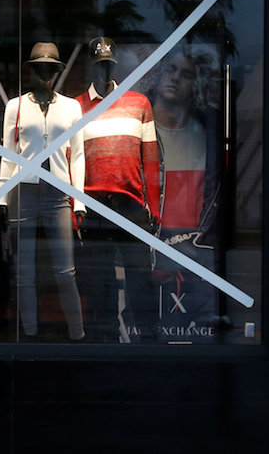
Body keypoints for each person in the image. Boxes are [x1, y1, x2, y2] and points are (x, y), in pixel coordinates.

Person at [0, 42, 85, 341]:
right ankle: (29, 334)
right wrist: (3, 198)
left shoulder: (72, 107)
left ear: (56, 72)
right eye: (39, 68)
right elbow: (7, 155)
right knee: (24, 273)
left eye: (50, 69)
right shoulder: (15, 106)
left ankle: (78, 335)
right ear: (31, 71)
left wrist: (79, 201)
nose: (45, 75)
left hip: (58, 194)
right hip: (24, 191)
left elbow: (78, 156)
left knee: (65, 271)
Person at [73, 36, 161, 342]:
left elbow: (150, 160)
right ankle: (104, 345)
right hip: (93, 204)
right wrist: (76, 208)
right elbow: (70, 163)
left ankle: (149, 343)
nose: (104, 70)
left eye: (109, 64)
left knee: (140, 281)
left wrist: (155, 209)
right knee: (100, 285)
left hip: (132, 204)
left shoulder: (139, 104)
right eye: (99, 64)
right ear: (89, 66)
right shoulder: (75, 108)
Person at [149, 46, 221, 337]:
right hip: (149, 248)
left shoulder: (208, 131)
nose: (176, 78)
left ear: (196, 83)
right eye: (171, 69)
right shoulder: (137, 126)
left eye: (187, 74)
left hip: (197, 249)